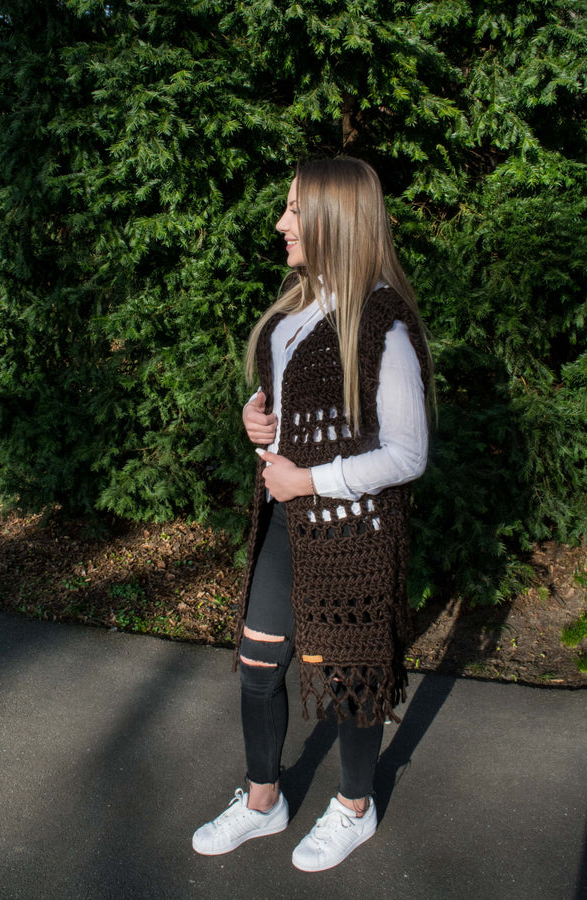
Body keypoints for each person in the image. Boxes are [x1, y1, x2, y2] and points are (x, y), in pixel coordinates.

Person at [192, 157, 432, 872]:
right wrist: (257, 420)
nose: (281, 224)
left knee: (353, 672)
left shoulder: (379, 322)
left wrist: (310, 479)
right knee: (257, 661)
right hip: (286, 522)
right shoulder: (291, 312)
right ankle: (263, 800)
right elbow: (287, 408)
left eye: (294, 209)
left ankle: (355, 808)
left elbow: (408, 453)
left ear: (334, 218)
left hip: (353, 532)